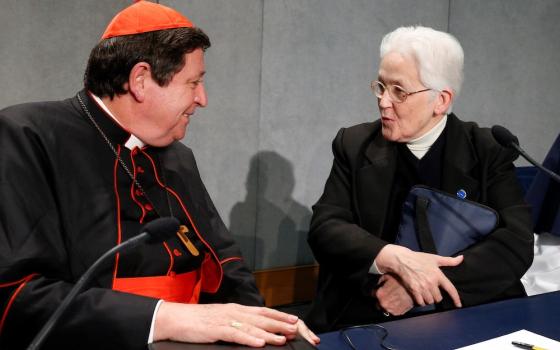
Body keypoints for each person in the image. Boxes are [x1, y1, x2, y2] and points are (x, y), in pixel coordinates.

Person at [0, 1, 319, 349]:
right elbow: (17, 295)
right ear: (140, 80)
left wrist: (263, 330)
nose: (203, 99)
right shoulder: (27, 136)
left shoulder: (177, 156)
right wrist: (164, 317)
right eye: (193, 82)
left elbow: (223, 257)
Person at [305, 25, 534, 332]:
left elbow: (515, 243)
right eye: (381, 87)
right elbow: (326, 227)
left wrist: (420, 286)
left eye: (399, 91)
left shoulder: (487, 150)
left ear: (440, 100)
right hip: (366, 309)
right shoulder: (355, 144)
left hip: (462, 312)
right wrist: (391, 257)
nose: (384, 101)